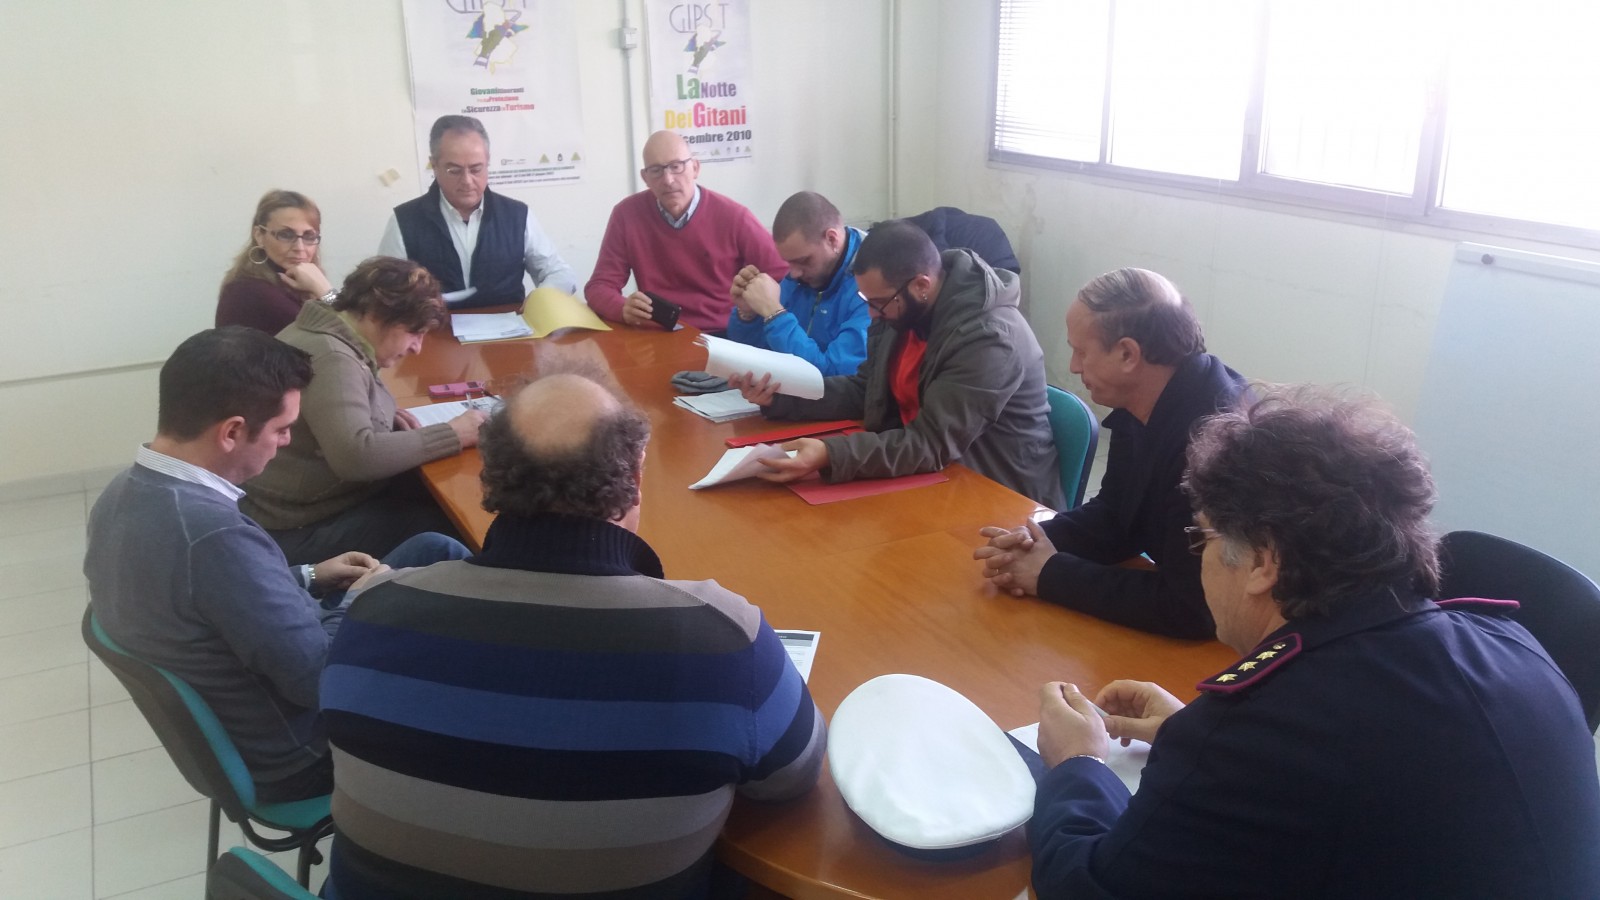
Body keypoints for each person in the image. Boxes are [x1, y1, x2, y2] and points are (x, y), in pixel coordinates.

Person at [1027, 386, 1600, 899]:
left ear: (1263, 561)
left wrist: (1079, 762)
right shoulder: (1516, 643)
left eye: (1203, 537)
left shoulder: (1261, 736)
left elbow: (1087, 888)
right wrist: (1190, 739)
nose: (1199, 559)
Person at [320, 363, 827, 899]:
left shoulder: (370, 611)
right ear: (636, 479)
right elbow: (793, 778)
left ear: (488, 478)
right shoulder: (724, 640)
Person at [83, 328, 468, 802]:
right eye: (282, 429)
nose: (286, 442)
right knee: (459, 652)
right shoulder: (212, 535)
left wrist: (309, 575)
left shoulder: (123, 492)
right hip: (307, 749)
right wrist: (363, 598)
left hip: (269, 680)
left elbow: (207, 597)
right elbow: (316, 680)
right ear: (232, 432)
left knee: (433, 549)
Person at [974, 268, 1245, 638]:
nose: (1073, 367)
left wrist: (1050, 574)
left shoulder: (1212, 443)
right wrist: (1035, 540)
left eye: (1081, 352)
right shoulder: (1144, 401)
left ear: (1128, 354)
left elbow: (1191, 606)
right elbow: (1118, 517)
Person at [730, 219, 1063, 508]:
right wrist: (781, 396)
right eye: (866, 301)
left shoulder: (988, 338)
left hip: (998, 495)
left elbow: (930, 444)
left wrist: (831, 454)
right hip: (932, 474)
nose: (872, 315)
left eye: (878, 303)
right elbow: (866, 390)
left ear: (921, 285)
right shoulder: (903, 310)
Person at [240, 257, 485, 563]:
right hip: (298, 526)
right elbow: (357, 457)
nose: (417, 347)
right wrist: (454, 433)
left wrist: (378, 410)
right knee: (450, 525)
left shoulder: (332, 330)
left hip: (301, 506)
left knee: (429, 489)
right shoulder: (332, 357)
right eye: (414, 332)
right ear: (375, 316)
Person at [583, 130, 786, 333]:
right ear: (645, 177)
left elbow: (784, 275)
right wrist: (622, 309)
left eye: (676, 166)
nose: (668, 179)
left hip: (722, 335)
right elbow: (599, 286)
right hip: (658, 333)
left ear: (695, 168)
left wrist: (753, 313)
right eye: (656, 170)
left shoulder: (735, 217)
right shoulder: (626, 215)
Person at [378, 115, 577, 309]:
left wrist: (539, 300)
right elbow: (384, 293)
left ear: (487, 162)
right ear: (434, 165)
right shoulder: (404, 221)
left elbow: (559, 273)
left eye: (476, 169)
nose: (467, 181)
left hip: (508, 326)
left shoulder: (517, 215)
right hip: (432, 327)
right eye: (454, 170)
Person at [725, 190, 870, 375]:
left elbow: (832, 376)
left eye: (803, 261)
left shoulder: (870, 285)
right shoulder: (803, 277)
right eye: (789, 262)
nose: (793, 274)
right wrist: (749, 315)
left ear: (832, 239)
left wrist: (774, 314)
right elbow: (757, 355)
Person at [216, 190, 338, 335]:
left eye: (308, 236)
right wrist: (326, 291)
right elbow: (352, 335)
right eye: (286, 235)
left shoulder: (297, 280)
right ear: (259, 235)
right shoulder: (250, 291)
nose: (299, 248)